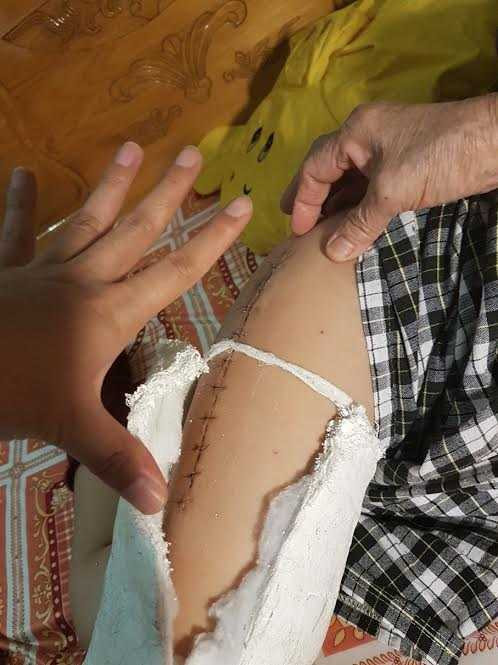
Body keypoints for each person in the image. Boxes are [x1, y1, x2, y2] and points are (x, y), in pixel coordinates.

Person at [2, 93, 497, 665]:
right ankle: (105, 416)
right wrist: (484, 129)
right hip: (434, 306)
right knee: (157, 637)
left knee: (119, 614)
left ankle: (105, 418)